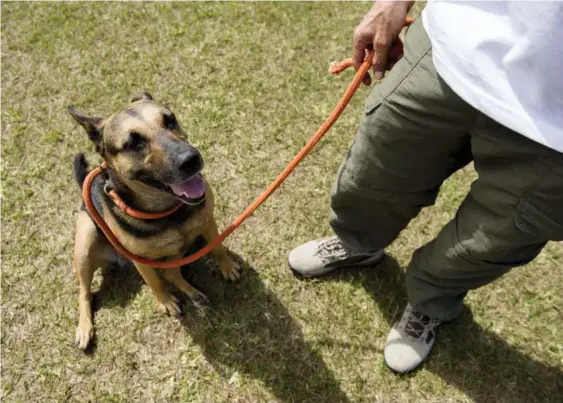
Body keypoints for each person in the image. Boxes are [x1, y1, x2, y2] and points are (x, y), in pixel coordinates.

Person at [288, 0, 563, 373]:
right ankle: (358, 243)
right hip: (458, 42)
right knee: (372, 174)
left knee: (492, 239)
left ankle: (430, 300)